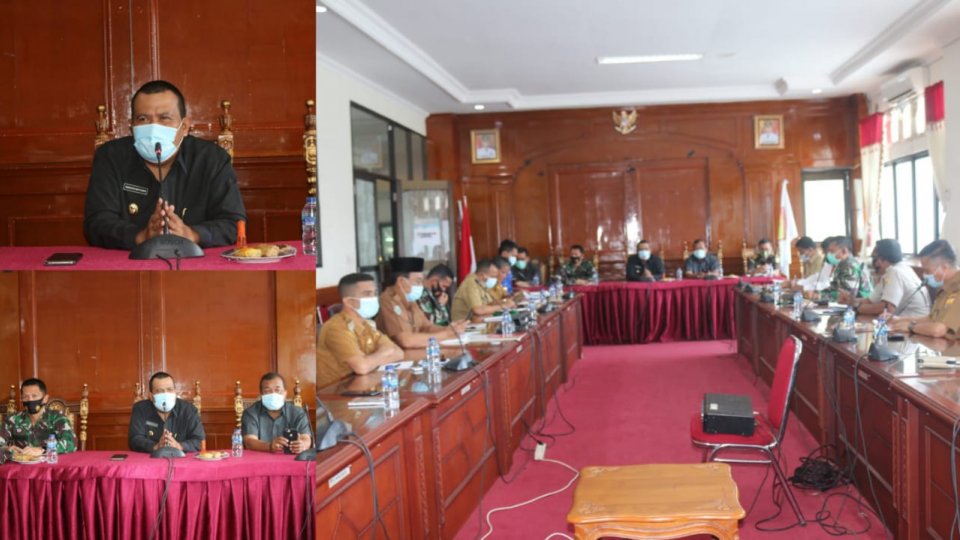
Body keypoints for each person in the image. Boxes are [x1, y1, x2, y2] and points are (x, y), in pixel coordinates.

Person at [84, 80, 247, 250]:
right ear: (132, 126)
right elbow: (96, 223)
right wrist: (141, 236)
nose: (153, 128)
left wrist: (192, 234)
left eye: (164, 118)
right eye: (143, 119)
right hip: (129, 263)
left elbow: (234, 223)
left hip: (195, 263)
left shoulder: (212, 159)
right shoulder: (111, 157)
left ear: (184, 127)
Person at [317, 273, 404, 388]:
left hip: (364, 385)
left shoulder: (366, 323)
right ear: (349, 302)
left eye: (375, 293)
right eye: (367, 294)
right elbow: (362, 367)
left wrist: (371, 361)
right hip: (337, 393)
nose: (374, 298)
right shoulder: (336, 328)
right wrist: (383, 353)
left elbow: (398, 353)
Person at [376, 257, 468, 348]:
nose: (421, 286)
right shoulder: (387, 301)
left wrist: (451, 329)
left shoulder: (409, 299)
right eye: (418, 282)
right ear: (401, 281)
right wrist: (447, 334)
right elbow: (406, 341)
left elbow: (426, 327)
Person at [889, 239, 960, 339]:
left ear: (944, 267)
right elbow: (932, 319)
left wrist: (910, 327)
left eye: (927, 271)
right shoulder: (946, 288)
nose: (924, 275)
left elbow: (939, 330)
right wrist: (899, 320)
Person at [847, 239, 928, 318]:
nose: (873, 263)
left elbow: (887, 308)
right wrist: (851, 300)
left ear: (883, 258)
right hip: (904, 321)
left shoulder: (895, 272)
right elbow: (870, 301)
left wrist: (857, 307)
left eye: (874, 258)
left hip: (914, 322)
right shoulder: (896, 270)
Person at [128, 372, 205, 453]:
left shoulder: (189, 410)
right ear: (151, 396)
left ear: (175, 392)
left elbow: (200, 441)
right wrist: (156, 446)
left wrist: (179, 446)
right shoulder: (140, 409)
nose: (165, 394)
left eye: (170, 389)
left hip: (181, 459)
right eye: (159, 391)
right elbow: (134, 440)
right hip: (150, 459)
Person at [0, 378, 77, 456]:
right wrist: (7, 449)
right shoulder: (12, 420)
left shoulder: (57, 417)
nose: (30, 400)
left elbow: (71, 443)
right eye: (25, 397)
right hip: (21, 462)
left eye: (34, 396)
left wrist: (43, 449)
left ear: (45, 399)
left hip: (49, 461)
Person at [242, 372, 313, 454]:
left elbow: (306, 438)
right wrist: (269, 446)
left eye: (277, 390)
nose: (273, 394)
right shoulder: (250, 413)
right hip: (260, 458)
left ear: (285, 393)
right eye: (267, 391)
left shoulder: (298, 413)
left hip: (290, 458)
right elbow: (249, 441)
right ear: (261, 395)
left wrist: (302, 445)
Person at [822, 236, 871, 301]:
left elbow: (849, 294)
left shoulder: (850, 265)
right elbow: (835, 286)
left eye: (832, 251)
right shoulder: (842, 264)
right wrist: (821, 292)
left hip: (862, 303)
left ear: (844, 251)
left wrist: (821, 296)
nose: (829, 254)